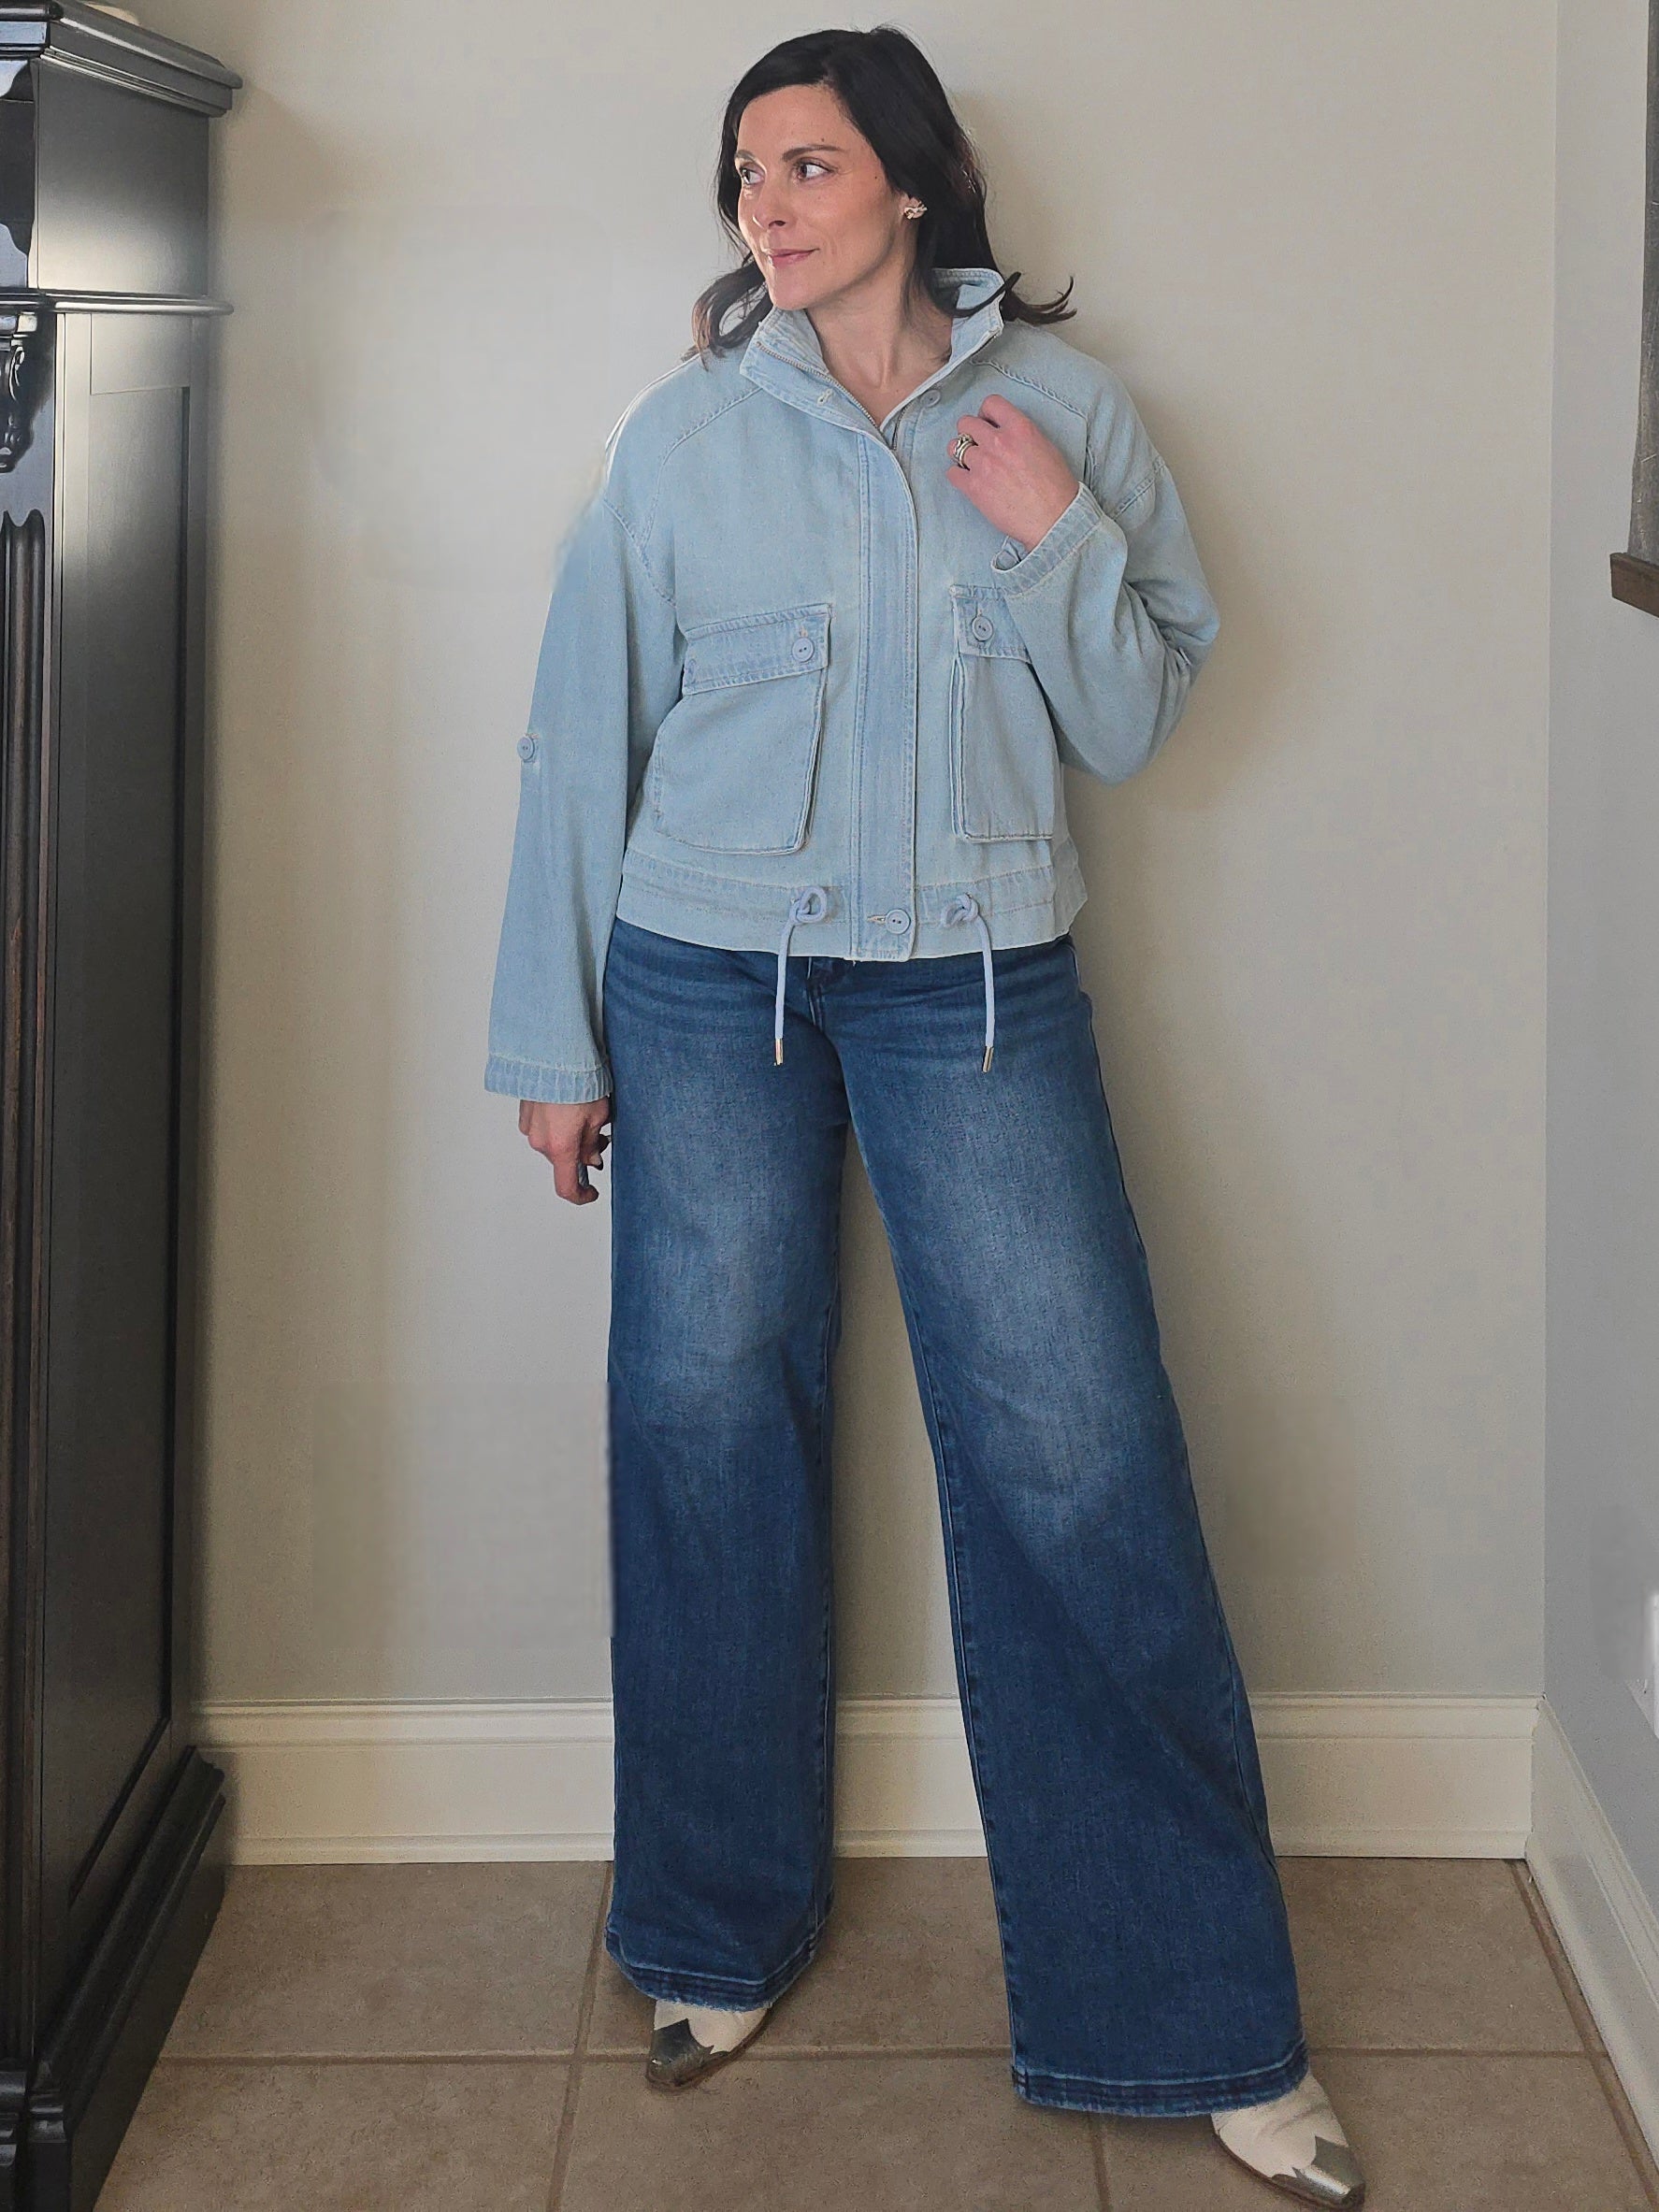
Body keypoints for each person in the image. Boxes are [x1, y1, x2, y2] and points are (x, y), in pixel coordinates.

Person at [485, 25, 1363, 2207]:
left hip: (978, 981)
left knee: (1078, 1458)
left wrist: (1057, 539)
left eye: (803, 162)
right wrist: (552, 1044)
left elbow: (1136, 719)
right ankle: (711, 1930)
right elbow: (577, 742)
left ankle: (1188, 2016)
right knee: (703, 1429)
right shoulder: (683, 435)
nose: (763, 204)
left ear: (908, 177)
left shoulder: (1064, 414)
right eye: (741, 173)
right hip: (705, 985)